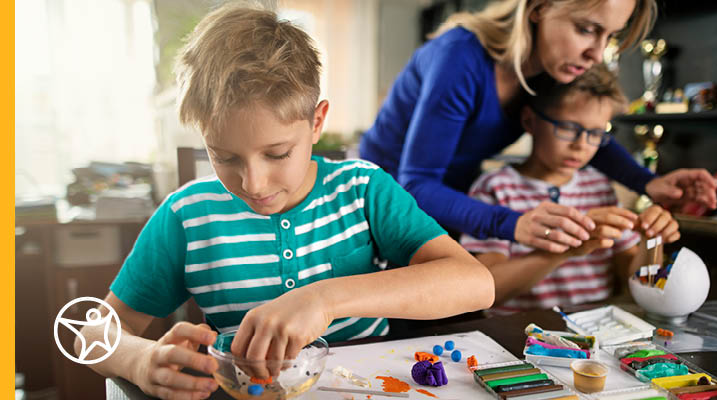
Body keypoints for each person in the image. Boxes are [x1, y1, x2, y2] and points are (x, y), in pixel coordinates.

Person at [77, 4, 495, 399]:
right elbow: (93, 333)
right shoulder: (187, 216)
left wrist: (324, 298)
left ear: (316, 122)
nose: (253, 183)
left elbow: (476, 285)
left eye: (277, 154)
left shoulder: (362, 189)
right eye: (224, 157)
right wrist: (137, 358)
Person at [360, 0, 716, 253]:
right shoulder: (461, 58)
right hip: (379, 201)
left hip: (449, 197)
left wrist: (648, 182)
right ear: (538, 8)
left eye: (609, 36)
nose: (597, 53)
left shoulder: (552, 66)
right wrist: (514, 224)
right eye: (586, 30)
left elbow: (585, 133)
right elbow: (416, 184)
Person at [461, 63, 678, 312]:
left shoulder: (599, 187)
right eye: (567, 128)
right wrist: (564, 250)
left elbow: (636, 285)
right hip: (520, 336)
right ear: (530, 121)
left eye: (595, 133)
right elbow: (489, 289)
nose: (581, 146)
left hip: (595, 333)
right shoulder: (495, 188)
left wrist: (652, 240)